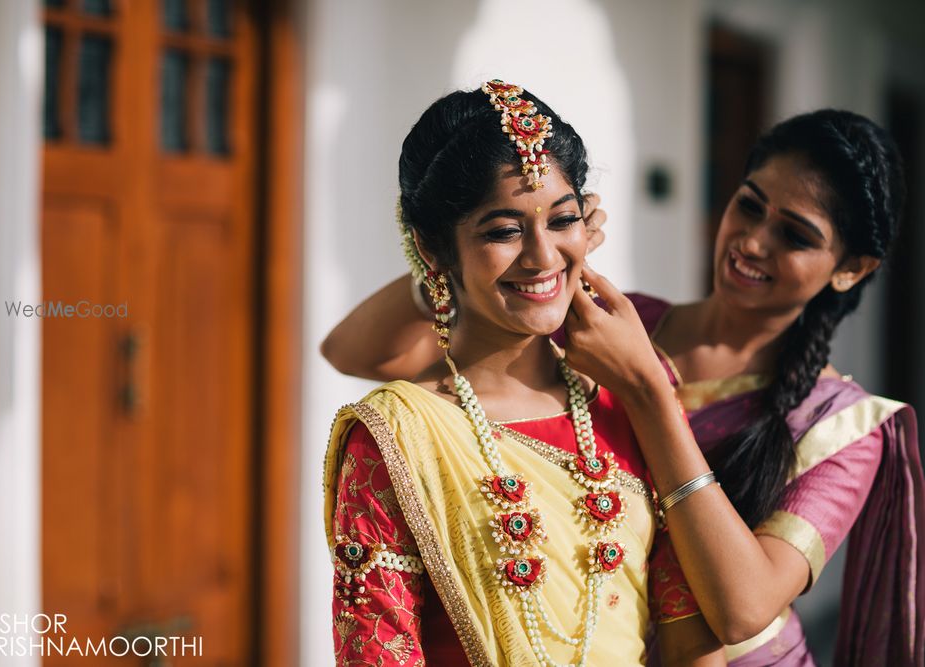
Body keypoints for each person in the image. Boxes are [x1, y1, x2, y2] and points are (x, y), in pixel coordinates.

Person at [322, 108, 925, 665]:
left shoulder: (843, 426)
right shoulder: (609, 325)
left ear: (852, 269)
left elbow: (742, 611)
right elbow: (356, 351)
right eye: (749, 205)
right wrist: (488, 255)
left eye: (795, 235)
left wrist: (649, 394)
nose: (752, 241)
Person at [324, 80, 725, 665]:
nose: (542, 257)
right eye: (504, 231)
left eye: (563, 221)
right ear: (433, 251)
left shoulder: (625, 398)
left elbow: (693, 639)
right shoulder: (396, 436)